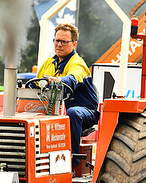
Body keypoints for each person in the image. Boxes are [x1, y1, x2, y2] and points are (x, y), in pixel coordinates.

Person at [36, 22, 99, 168]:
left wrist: (60, 80)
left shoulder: (77, 63)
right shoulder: (49, 63)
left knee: (72, 113)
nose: (59, 45)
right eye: (57, 41)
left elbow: (73, 78)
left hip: (85, 111)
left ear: (74, 44)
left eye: (64, 42)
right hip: (56, 110)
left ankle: (72, 161)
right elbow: (35, 83)